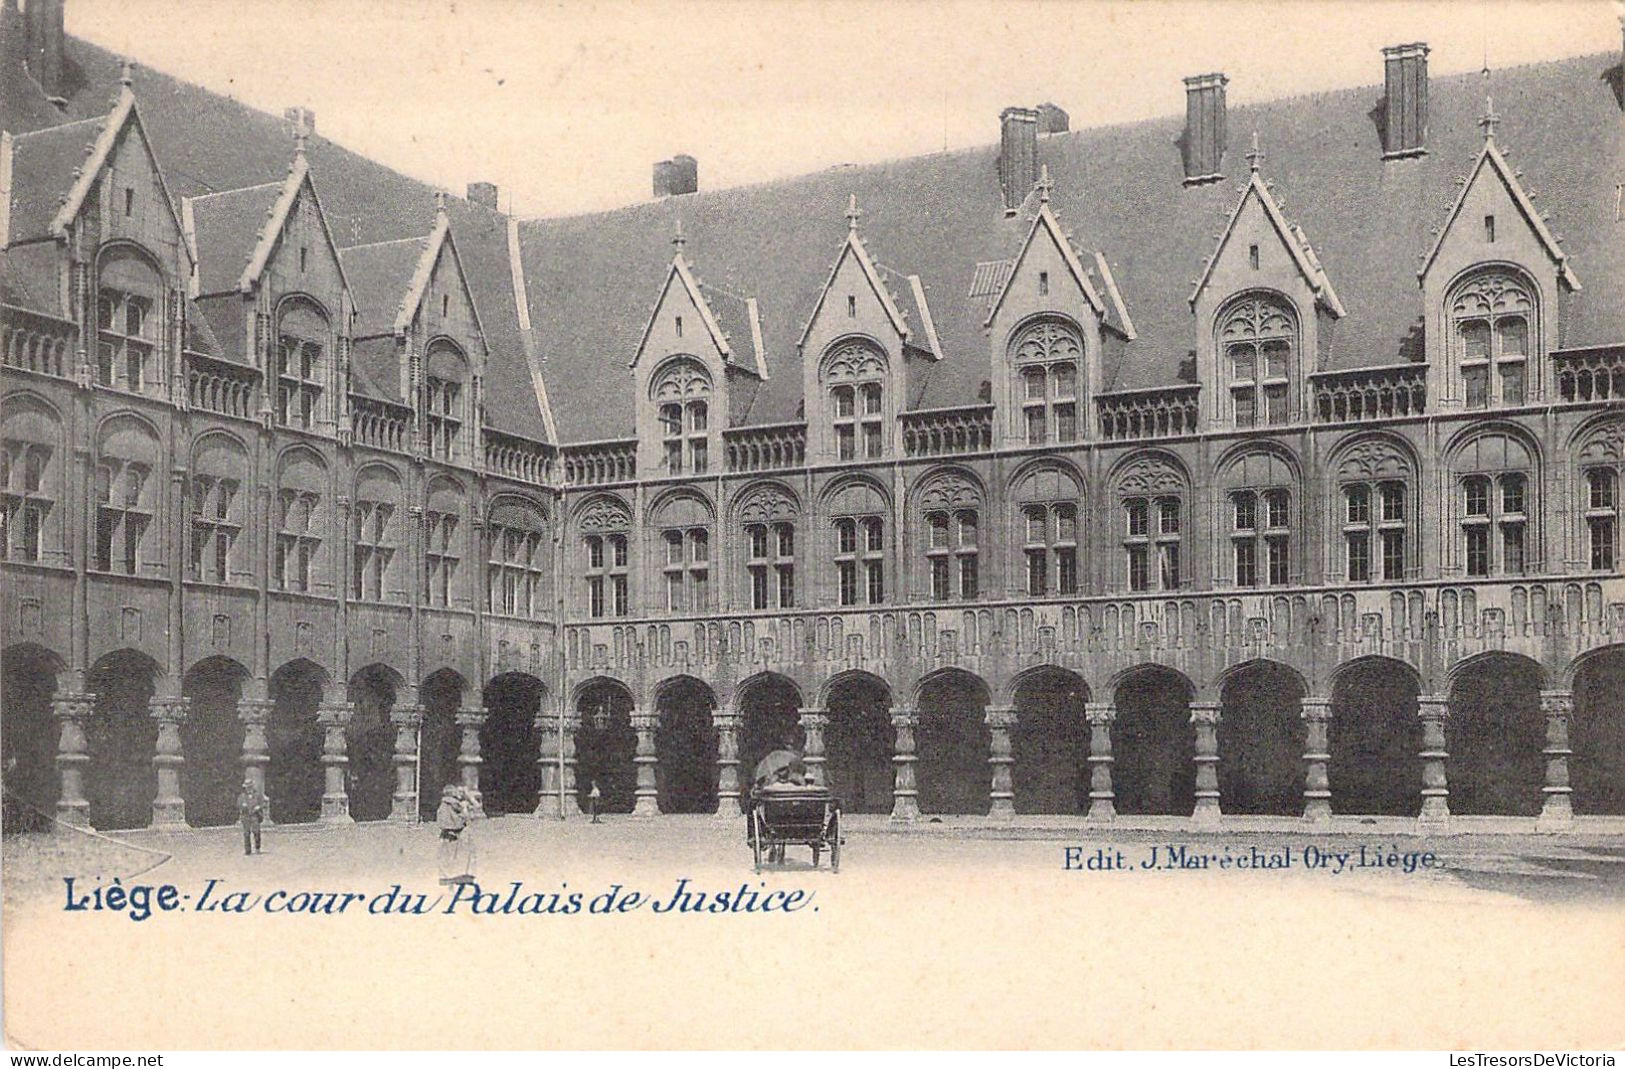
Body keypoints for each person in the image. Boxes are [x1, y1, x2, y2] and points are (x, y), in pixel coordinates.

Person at [437, 784, 476, 885]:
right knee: (460, 854)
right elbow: (466, 817)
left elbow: (442, 819)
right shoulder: (456, 804)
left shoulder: (443, 804)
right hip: (457, 832)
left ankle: (445, 877)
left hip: (446, 832)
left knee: (445, 854)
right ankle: (458, 876)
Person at [237, 778, 266, 855]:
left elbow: (262, 803)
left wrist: (258, 807)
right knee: (246, 833)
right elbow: (239, 805)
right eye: (247, 787)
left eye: (250, 786)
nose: (248, 788)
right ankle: (248, 850)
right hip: (246, 816)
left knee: (256, 832)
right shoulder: (242, 796)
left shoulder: (257, 795)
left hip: (254, 815)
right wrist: (243, 806)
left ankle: (257, 847)